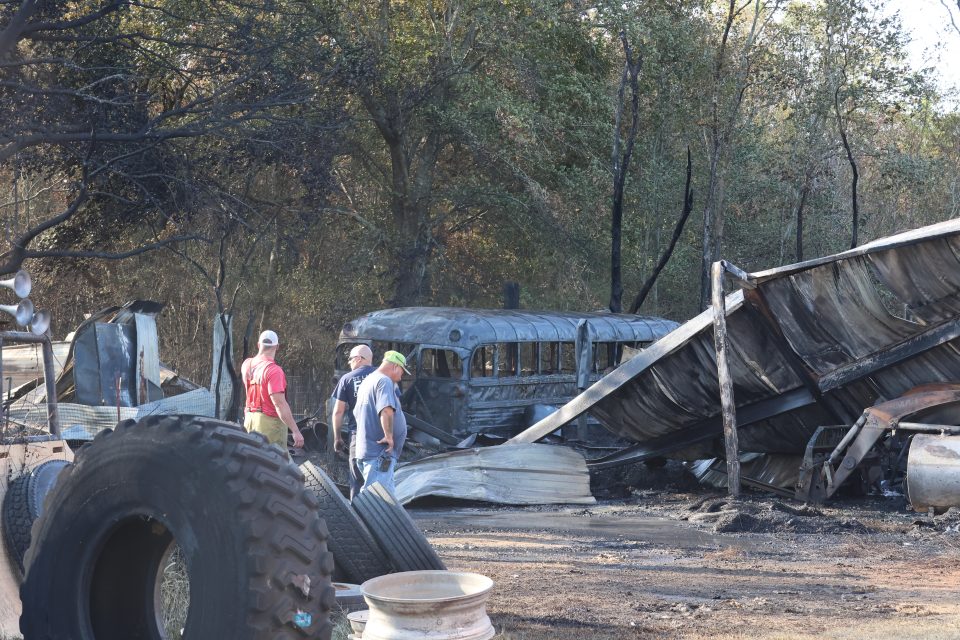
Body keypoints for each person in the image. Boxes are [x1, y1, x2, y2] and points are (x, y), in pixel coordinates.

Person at [353, 350, 410, 495]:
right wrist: (389, 436)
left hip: (368, 450)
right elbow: (386, 410)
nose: (400, 377)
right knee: (376, 499)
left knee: (387, 501)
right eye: (402, 372)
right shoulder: (384, 381)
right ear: (395, 366)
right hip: (379, 453)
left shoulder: (368, 381)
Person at [241, 330, 304, 451]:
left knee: (251, 461)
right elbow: (279, 404)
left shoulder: (246, 364)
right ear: (277, 347)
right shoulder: (274, 371)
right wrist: (296, 431)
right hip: (269, 424)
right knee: (275, 465)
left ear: (258, 345)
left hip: (249, 419)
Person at [331, 344, 375, 499]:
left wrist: (337, 438)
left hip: (358, 435)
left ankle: (358, 515)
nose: (349, 362)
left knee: (357, 478)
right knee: (378, 479)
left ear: (358, 358)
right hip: (382, 436)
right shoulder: (384, 377)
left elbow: (338, 411)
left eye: (350, 358)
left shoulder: (347, 379)